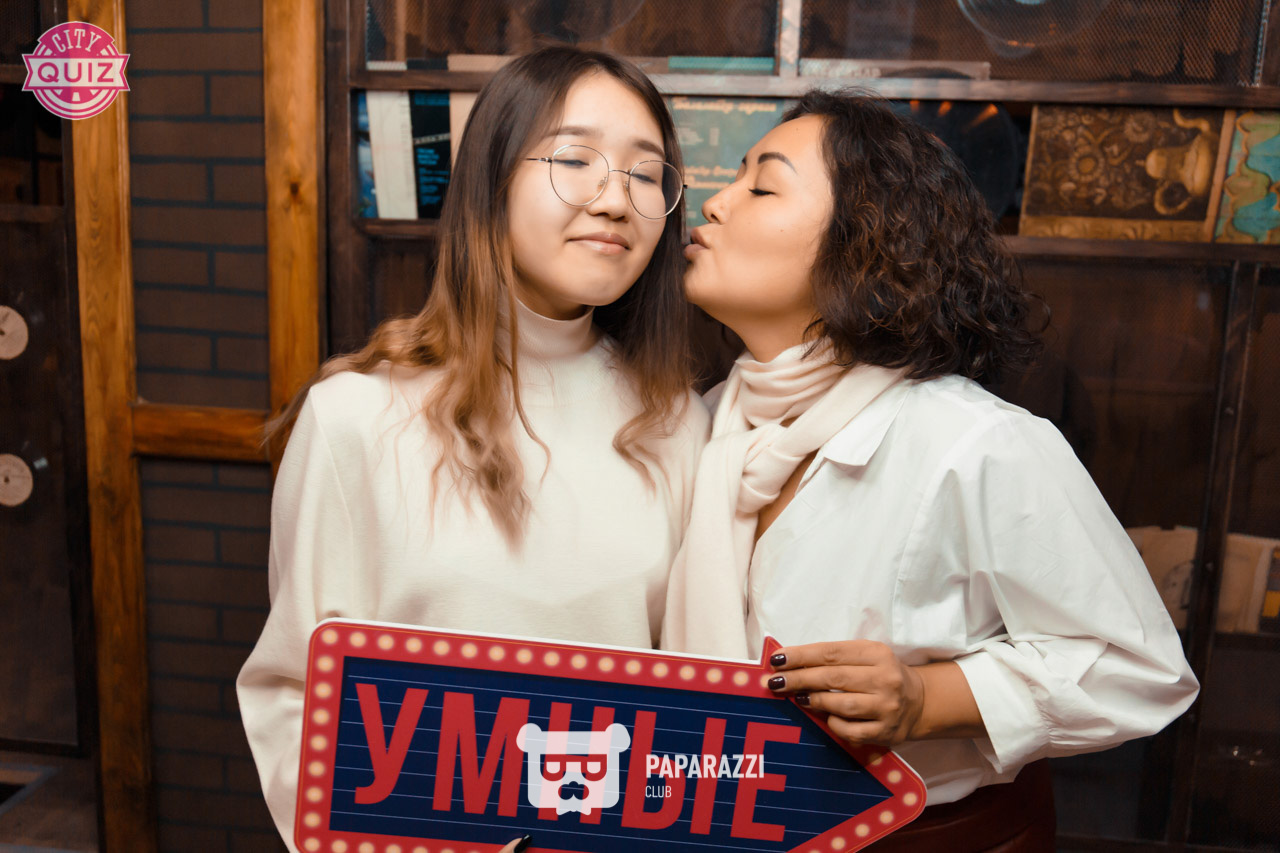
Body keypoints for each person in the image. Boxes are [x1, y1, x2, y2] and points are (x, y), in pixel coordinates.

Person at [664, 90, 1198, 850]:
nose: (716, 204)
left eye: (763, 185)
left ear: (863, 241)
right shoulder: (712, 419)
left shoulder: (975, 442)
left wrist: (926, 697)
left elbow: (1139, 671)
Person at [237, 47, 709, 851]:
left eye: (645, 173)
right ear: (492, 180)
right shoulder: (355, 416)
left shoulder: (676, 420)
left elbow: (696, 696)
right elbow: (297, 693)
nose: (614, 199)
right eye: (575, 160)